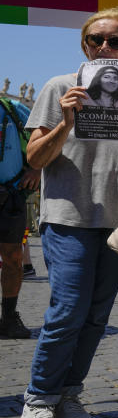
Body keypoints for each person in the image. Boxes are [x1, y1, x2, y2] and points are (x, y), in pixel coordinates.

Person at [19, 9, 118, 418]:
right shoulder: (58, 88)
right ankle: (38, 398)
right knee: (67, 310)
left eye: (115, 41)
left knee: (95, 316)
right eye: (96, 41)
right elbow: (34, 159)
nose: (105, 48)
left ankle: (70, 393)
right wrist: (66, 122)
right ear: (84, 45)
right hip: (68, 217)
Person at [0, 96, 40, 339]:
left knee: (14, 258)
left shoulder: (13, 109)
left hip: (10, 195)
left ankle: (9, 316)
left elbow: (44, 136)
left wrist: (38, 168)